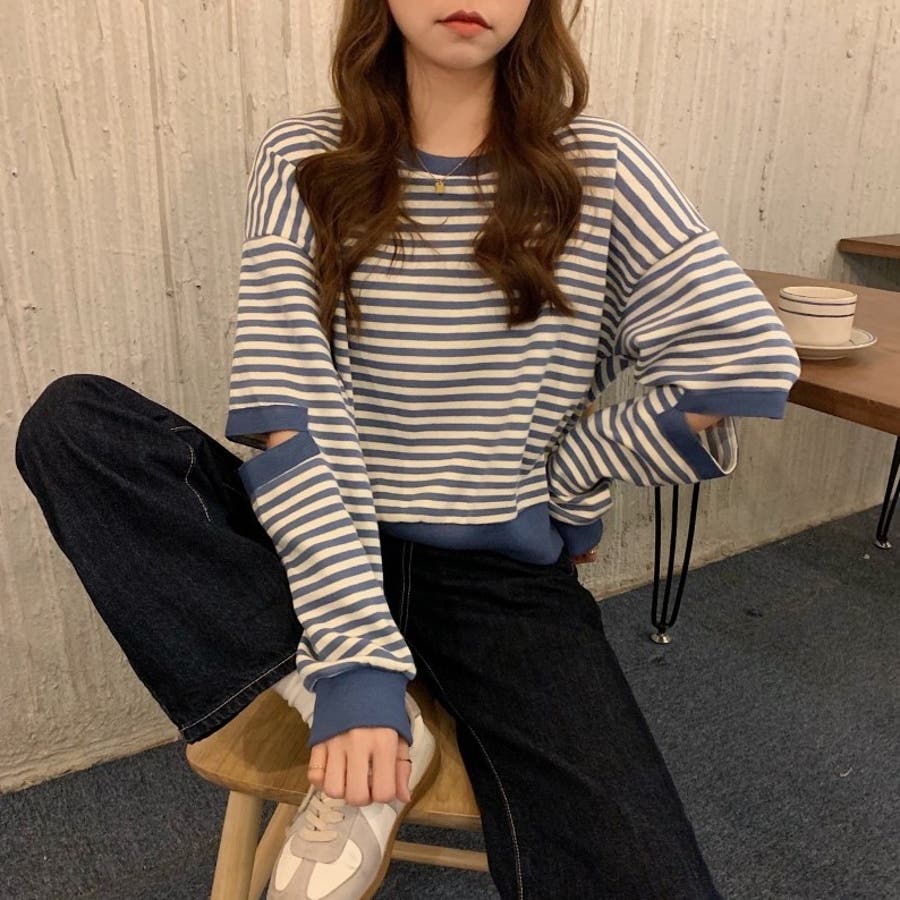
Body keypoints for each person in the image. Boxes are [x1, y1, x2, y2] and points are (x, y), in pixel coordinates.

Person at [15, 1, 802, 897]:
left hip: (498, 578)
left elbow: (742, 356)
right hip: (320, 542)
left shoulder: (600, 166)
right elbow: (292, 422)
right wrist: (358, 668)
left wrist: (571, 471)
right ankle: (338, 703)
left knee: (639, 870)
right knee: (75, 427)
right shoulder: (304, 160)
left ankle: (346, 715)